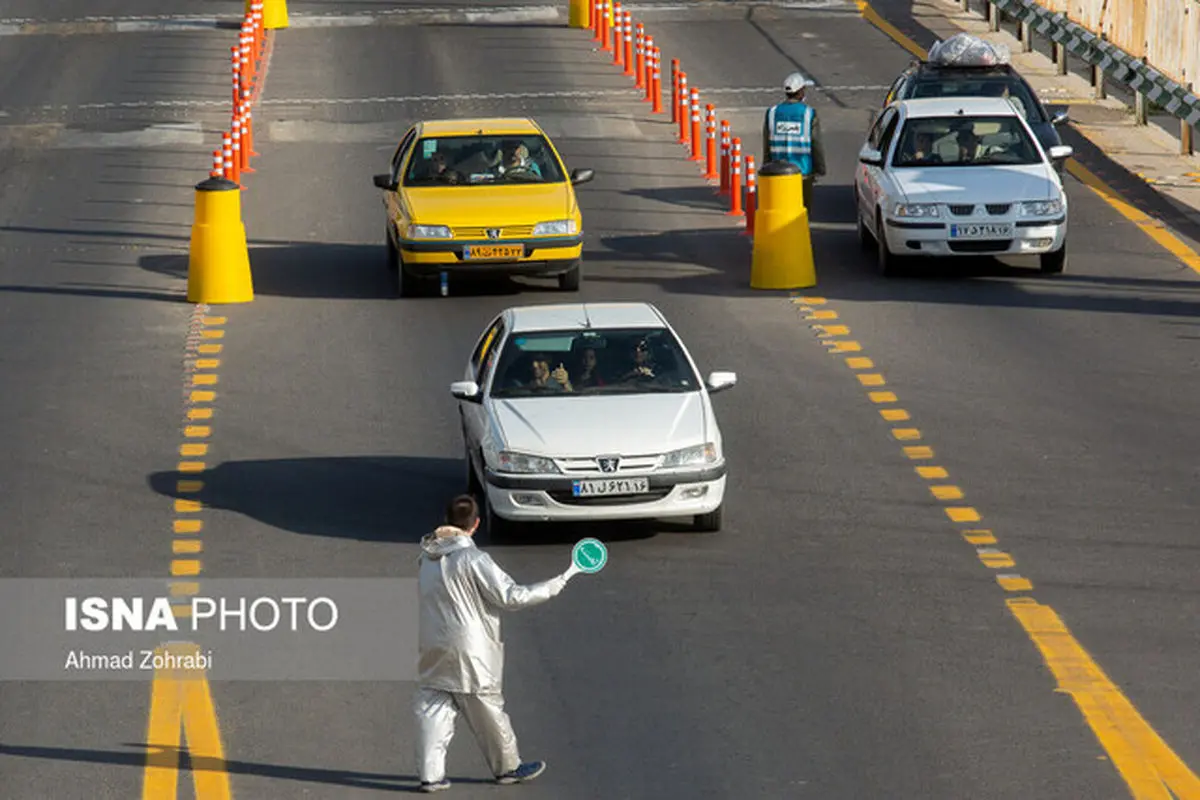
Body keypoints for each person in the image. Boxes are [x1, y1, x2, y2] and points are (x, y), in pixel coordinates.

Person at [414, 494, 577, 792]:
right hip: (471, 649)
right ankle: (508, 767)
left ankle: (430, 775)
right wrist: (556, 584)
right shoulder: (473, 559)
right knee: (487, 707)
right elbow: (511, 596)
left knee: (434, 705)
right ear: (475, 525)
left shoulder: (427, 556)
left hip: (433, 643)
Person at [762, 71, 826, 210]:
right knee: (802, 211)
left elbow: (766, 145)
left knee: (780, 210)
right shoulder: (808, 113)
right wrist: (820, 168)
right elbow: (816, 144)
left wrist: (766, 168)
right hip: (802, 173)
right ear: (801, 92)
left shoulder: (772, 113)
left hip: (777, 174)